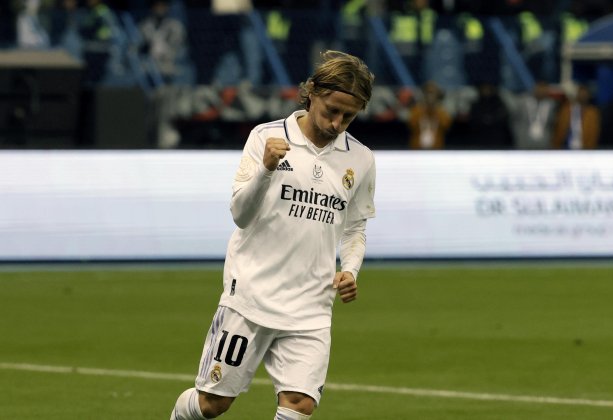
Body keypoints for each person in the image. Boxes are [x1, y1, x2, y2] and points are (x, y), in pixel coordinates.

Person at [170, 50, 376, 420]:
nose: (338, 122)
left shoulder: (360, 159)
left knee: (300, 405)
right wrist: (265, 169)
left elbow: (355, 225)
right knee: (212, 404)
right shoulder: (265, 137)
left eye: (349, 115)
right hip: (251, 296)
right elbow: (240, 214)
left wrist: (352, 269)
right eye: (332, 109)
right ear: (311, 93)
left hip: (312, 305)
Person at [509, 80, 557, 150]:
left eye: (544, 88)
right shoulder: (522, 102)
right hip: (523, 145)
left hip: (544, 146)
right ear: (535, 87)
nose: (542, 91)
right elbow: (513, 121)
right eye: (539, 87)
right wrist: (518, 137)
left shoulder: (552, 105)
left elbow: (554, 125)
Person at [552, 83, 600, 150]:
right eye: (580, 93)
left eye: (585, 94)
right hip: (565, 147)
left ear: (589, 96)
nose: (582, 96)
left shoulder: (592, 113)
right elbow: (559, 129)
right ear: (576, 94)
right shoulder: (566, 110)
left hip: (584, 149)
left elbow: (593, 135)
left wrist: (588, 151)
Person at [407, 80, 452, 149]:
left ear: (437, 95)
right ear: (423, 94)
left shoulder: (441, 111)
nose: (430, 96)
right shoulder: (416, 110)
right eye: (428, 93)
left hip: (436, 148)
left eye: (433, 93)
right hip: (417, 149)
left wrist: (434, 110)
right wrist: (424, 110)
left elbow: (446, 125)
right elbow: (411, 124)